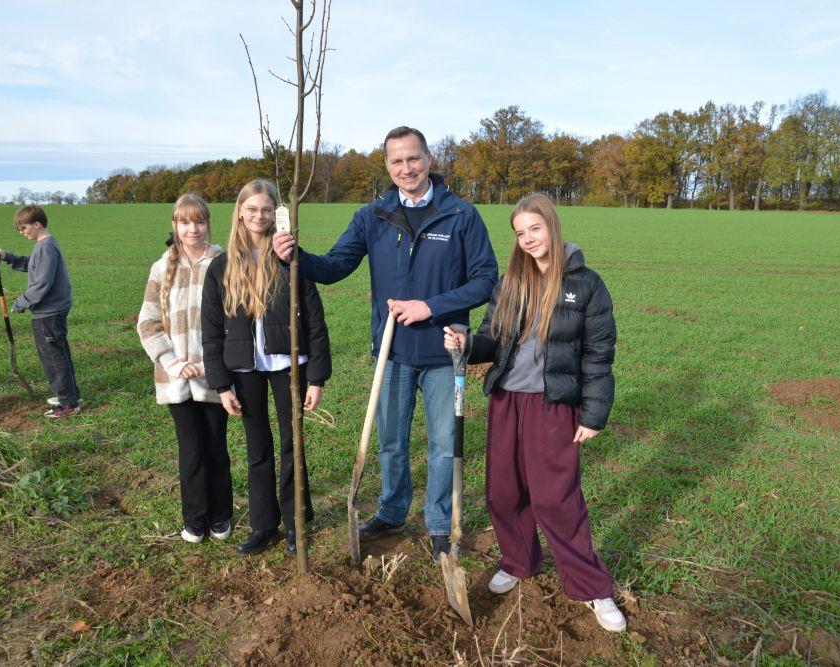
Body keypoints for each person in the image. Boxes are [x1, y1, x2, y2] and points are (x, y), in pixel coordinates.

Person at [273, 126, 498, 561]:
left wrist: (429, 307)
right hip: (391, 354)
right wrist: (295, 257)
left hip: (442, 353)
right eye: (396, 161)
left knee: (442, 444)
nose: (406, 168)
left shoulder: (461, 215)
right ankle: (392, 511)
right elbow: (336, 265)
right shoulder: (372, 217)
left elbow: (486, 280)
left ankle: (437, 524)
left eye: (413, 159)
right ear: (387, 166)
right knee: (391, 441)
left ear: (429, 159)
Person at [443, 193, 626, 633]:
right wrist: (468, 344)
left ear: (552, 226)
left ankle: (591, 586)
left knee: (555, 499)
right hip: (508, 399)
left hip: (554, 404)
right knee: (503, 492)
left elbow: (599, 355)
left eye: (535, 229)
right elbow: (491, 336)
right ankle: (519, 560)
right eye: (520, 233)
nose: (528, 239)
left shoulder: (586, 285)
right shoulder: (511, 282)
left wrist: (593, 415)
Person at [202, 179, 331, 557]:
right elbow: (210, 331)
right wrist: (221, 384)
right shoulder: (222, 267)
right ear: (240, 212)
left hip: (290, 366)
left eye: (266, 209)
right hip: (245, 370)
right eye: (252, 208)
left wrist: (317, 377)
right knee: (258, 448)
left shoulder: (291, 259)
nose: (259, 216)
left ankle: (295, 523)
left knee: (293, 445)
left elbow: (315, 320)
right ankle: (264, 525)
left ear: (278, 214)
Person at [137, 193, 232, 544]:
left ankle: (221, 515)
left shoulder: (223, 263)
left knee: (216, 448)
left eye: (199, 221)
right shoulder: (161, 269)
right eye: (185, 222)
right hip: (176, 378)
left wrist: (211, 365)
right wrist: (172, 362)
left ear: (208, 223)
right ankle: (195, 518)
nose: (193, 228)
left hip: (214, 378)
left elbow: (235, 323)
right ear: (175, 226)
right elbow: (148, 322)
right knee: (191, 450)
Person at [0, 205, 80, 418]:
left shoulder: (46, 247)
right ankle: (69, 395)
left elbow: (42, 283)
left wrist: (21, 302)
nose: (21, 232)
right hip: (50, 310)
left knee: (53, 356)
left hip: (49, 312)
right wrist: (8, 256)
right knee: (58, 352)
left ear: (37, 224)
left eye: (23, 228)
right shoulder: (43, 246)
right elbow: (33, 265)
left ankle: (67, 403)